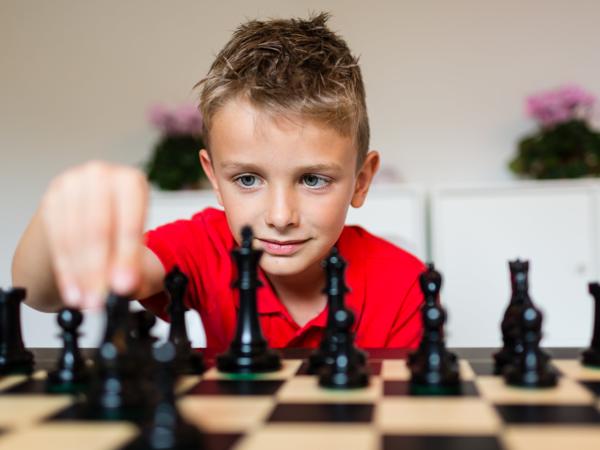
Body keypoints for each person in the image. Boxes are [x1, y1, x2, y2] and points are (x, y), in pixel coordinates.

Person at [12, 13, 424, 351]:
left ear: (361, 180)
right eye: (247, 179)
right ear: (213, 177)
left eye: (313, 180)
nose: (280, 216)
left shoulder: (405, 283)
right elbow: (41, 295)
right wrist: (58, 213)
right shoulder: (201, 246)